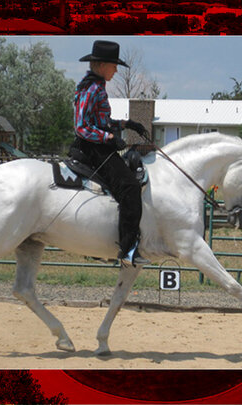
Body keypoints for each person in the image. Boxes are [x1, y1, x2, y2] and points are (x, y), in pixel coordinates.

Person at [70, 40, 149, 266]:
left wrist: (126, 124)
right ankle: (127, 249)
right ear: (102, 65)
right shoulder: (92, 89)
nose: (115, 70)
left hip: (97, 145)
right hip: (92, 148)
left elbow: (100, 121)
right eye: (114, 65)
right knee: (130, 188)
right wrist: (110, 138)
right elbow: (82, 127)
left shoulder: (96, 86)